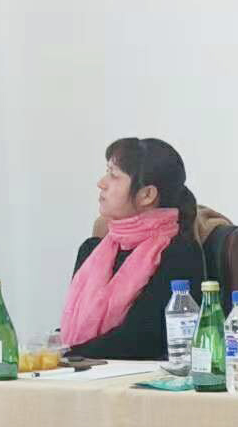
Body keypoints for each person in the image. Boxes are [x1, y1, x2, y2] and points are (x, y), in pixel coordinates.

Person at [62, 138, 208, 360]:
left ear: (147, 195)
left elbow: (142, 340)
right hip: (80, 371)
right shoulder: (91, 251)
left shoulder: (178, 254)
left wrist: (67, 356)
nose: (101, 183)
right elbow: (73, 332)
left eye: (114, 175)